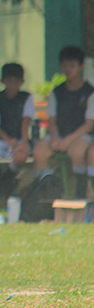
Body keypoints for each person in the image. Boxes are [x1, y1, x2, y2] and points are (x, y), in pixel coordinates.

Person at [33, 46, 94, 199]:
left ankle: (81, 193)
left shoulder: (89, 92)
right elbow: (51, 120)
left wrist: (68, 140)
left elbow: (89, 124)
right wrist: (55, 138)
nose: (68, 69)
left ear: (80, 67)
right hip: (58, 135)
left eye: (72, 65)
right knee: (39, 151)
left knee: (77, 151)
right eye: (65, 65)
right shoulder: (57, 92)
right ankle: (44, 193)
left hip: (80, 135)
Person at [0, 63, 34, 201]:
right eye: (9, 81)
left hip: (20, 138)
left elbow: (25, 121)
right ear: (3, 81)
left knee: (21, 156)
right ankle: (2, 181)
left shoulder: (26, 97)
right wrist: (8, 141)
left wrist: (23, 143)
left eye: (16, 81)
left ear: (22, 82)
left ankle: (7, 180)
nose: (12, 85)